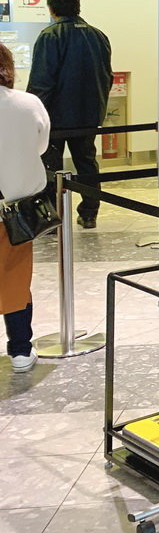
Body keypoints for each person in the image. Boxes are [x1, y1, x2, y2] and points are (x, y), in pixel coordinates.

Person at [28, 0, 112, 229]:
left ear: (52, 9)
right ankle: (89, 214)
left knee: (50, 166)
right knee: (86, 162)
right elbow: (107, 76)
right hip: (89, 115)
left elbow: (42, 81)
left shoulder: (50, 36)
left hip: (56, 117)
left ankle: (50, 217)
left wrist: (32, 114)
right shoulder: (98, 35)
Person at [0, 42, 50, 373]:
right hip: (14, 210)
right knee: (15, 277)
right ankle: (20, 351)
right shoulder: (27, 103)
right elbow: (41, 144)